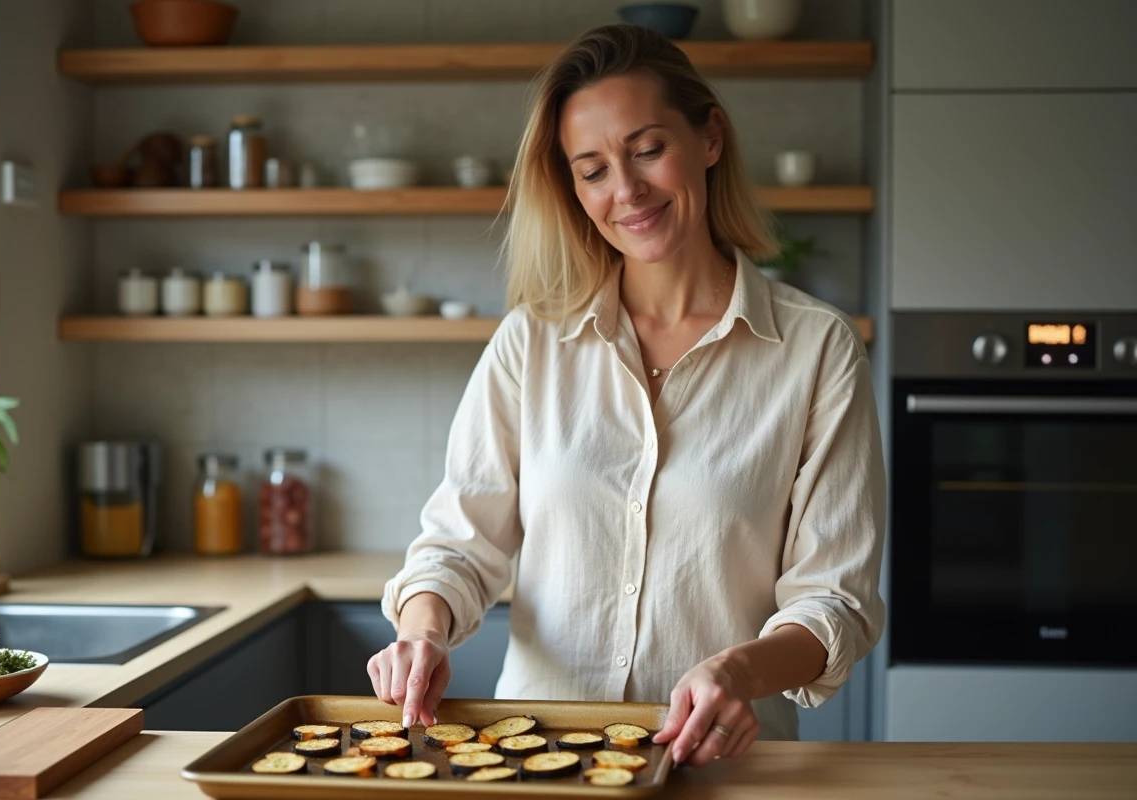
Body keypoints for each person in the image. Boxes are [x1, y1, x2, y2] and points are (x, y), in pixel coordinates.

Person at [370, 23, 885, 767]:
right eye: (593, 169)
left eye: (647, 150)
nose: (626, 191)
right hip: (541, 766)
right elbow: (459, 544)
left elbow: (835, 601)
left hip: (721, 769)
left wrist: (737, 670)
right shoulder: (531, 343)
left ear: (710, 137)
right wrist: (421, 631)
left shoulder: (817, 351)